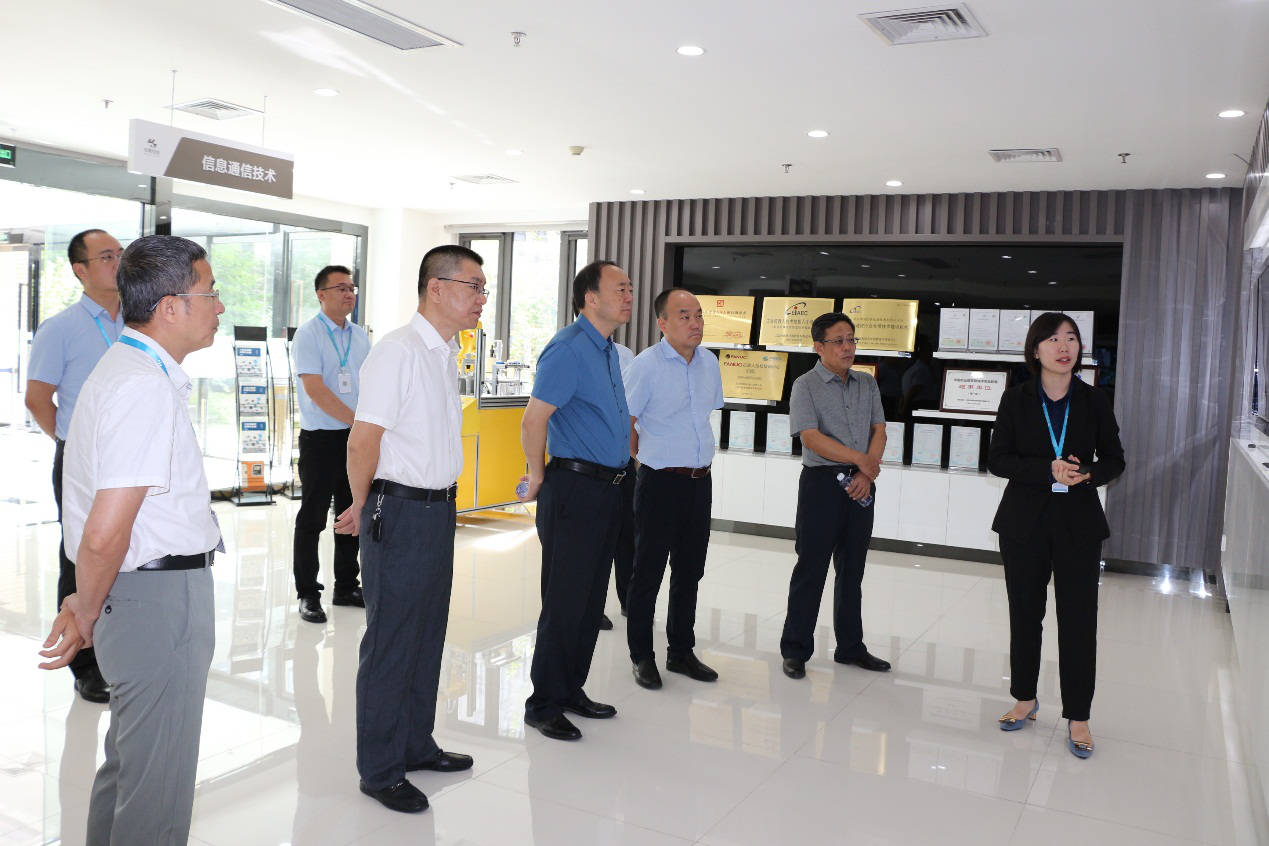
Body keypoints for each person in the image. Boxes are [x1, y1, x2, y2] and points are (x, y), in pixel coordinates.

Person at [38, 234, 226, 845]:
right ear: (170, 307)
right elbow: (105, 531)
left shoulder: (125, 367)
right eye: (210, 292)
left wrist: (88, 601)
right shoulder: (142, 384)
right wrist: (84, 607)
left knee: (130, 768)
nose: (220, 306)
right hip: (157, 600)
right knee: (157, 787)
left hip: (138, 593)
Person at [333, 245, 484, 813]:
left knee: (427, 633)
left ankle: (416, 743)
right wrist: (361, 502)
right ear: (436, 288)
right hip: (398, 510)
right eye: (473, 286)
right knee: (393, 641)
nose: (481, 298)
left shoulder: (444, 352)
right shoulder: (397, 351)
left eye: (483, 288)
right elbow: (363, 439)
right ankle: (379, 768)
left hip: (437, 510)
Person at [988, 312, 1125, 759]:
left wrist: (1087, 474)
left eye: (1071, 338)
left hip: (1078, 525)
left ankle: (1079, 716)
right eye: (1052, 339)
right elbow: (999, 459)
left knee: (1079, 621)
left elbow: (1115, 459)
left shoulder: (1094, 400)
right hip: (1023, 523)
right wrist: (1047, 468)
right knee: (1025, 615)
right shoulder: (1015, 399)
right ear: (1035, 350)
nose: (1063, 347)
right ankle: (1024, 699)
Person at [517, 260, 633, 741]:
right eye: (620, 288)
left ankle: (570, 690)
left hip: (609, 488)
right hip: (575, 488)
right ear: (591, 298)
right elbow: (533, 420)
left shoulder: (607, 350)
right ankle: (543, 703)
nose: (629, 296)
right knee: (565, 601)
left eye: (630, 288)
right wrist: (538, 475)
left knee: (589, 601)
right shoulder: (567, 349)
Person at [25, 229, 126, 704]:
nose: (118, 262)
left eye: (121, 254)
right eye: (107, 256)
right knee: (80, 555)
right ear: (80, 270)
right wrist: (71, 444)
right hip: (81, 460)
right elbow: (37, 398)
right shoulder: (60, 328)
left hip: (132, 457)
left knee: (129, 552)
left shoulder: (140, 322)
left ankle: (120, 651)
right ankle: (85, 666)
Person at [780, 311, 890, 679]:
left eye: (851, 340)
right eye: (838, 341)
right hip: (822, 485)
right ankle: (795, 650)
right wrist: (861, 461)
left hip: (861, 484)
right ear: (819, 346)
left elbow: (879, 429)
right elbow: (811, 437)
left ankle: (850, 647)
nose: (847, 347)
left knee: (852, 570)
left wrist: (866, 471)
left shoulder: (866, 383)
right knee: (811, 568)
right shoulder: (805, 385)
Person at [625, 288, 724, 690]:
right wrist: (647, 459)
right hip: (660, 482)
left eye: (698, 315)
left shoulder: (709, 362)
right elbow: (626, 423)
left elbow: (703, 416)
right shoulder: (646, 365)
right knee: (647, 573)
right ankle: (642, 657)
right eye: (684, 316)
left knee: (689, 571)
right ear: (662, 323)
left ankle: (681, 652)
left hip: (700, 482)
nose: (695, 323)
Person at [291, 264, 371, 624]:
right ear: (321, 294)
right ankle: (308, 593)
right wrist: (357, 420)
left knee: (351, 514)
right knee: (312, 519)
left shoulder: (361, 336)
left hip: (354, 439)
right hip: (321, 439)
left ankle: (346, 586)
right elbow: (316, 390)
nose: (348, 293)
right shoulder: (308, 335)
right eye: (340, 288)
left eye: (351, 288)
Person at [601, 340, 637, 632]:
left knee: (629, 535)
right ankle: (592, 607)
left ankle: (629, 600)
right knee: (595, 541)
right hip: (591, 462)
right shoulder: (569, 351)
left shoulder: (625, 355)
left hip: (623, 460)